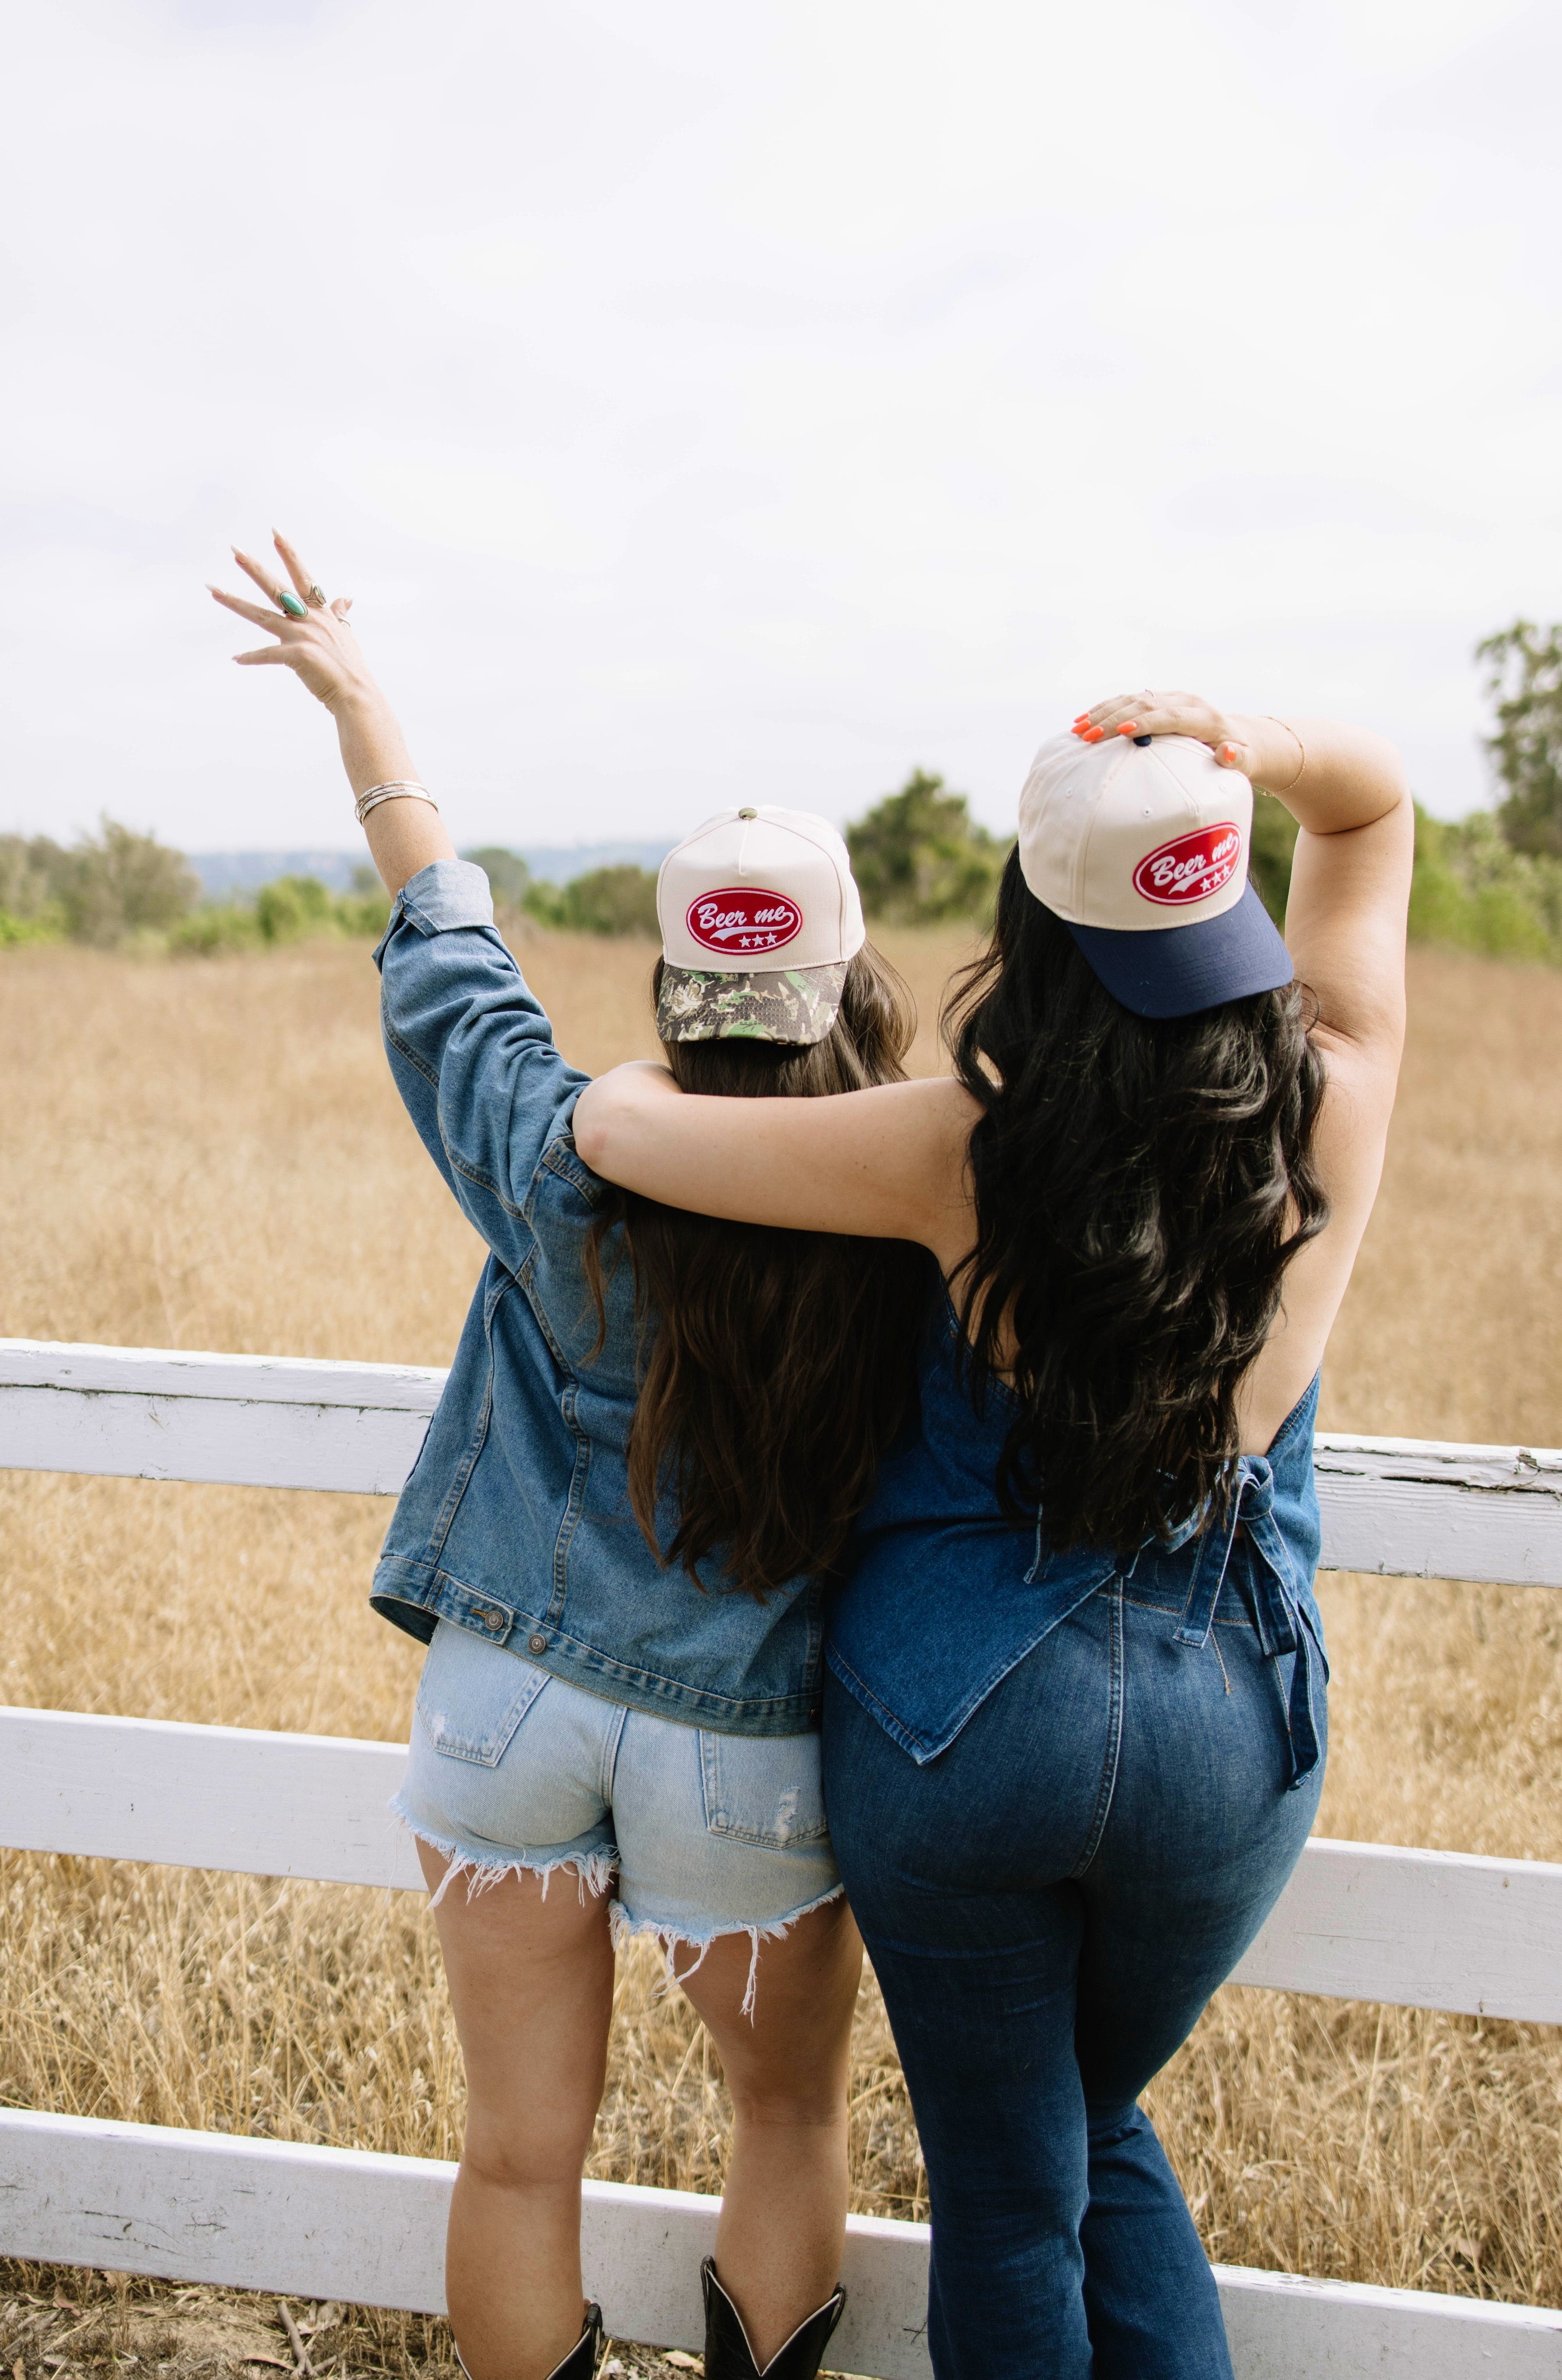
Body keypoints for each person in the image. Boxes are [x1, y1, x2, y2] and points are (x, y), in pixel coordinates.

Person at [574, 693, 1414, 2378]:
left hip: (959, 1721)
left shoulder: (956, 1147)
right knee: (1088, 2133)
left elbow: (621, 1134)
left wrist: (620, 1060)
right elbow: (1374, 813)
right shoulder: (1329, 1096)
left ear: (1024, 934)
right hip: (1224, 1719)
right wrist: (1236, 734)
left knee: (1016, 2188)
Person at [209, 536, 936, 2380]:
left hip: (505, 1706)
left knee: (520, 2157)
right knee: (784, 2125)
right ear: (848, 981)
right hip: (747, 1739)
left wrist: (364, 701)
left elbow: (449, 958)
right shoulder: (912, 1202)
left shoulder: (558, 1150)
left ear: (676, 983)